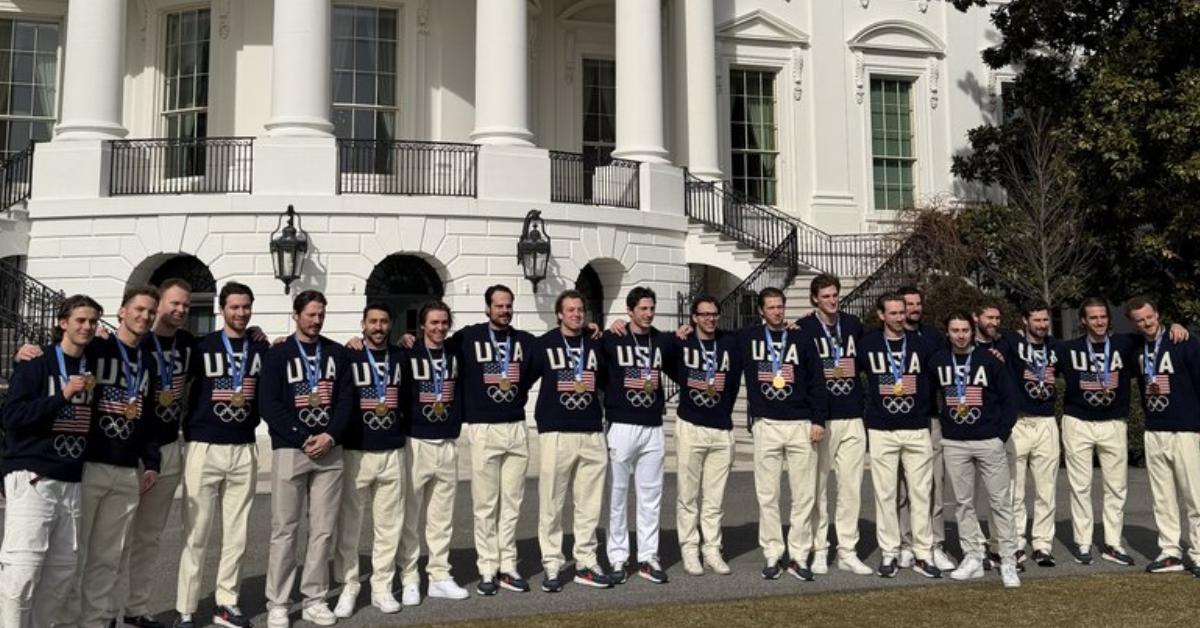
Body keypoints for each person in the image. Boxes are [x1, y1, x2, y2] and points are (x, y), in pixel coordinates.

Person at [1056, 298, 1186, 566]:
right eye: (1093, 318)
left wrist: (1177, 325)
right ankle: (1083, 542)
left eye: (1103, 316)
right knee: (1080, 486)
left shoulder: (1127, 344)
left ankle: (1112, 543)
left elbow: (1154, 333)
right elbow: (1030, 358)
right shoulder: (1067, 348)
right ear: (1083, 321)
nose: (1099, 321)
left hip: (1114, 422)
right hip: (1077, 422)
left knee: (1116, 487)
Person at [0, 295, 101, 628]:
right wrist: (61, 397)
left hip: (72, 479)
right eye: (80, 320)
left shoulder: (92, 364)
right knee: (22, 571)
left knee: (60, 577)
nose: (86, 327)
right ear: (63, 323)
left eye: (92, 321)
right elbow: (12, 417)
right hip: (34, 477)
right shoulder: (36, 362)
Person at [173, 281, 269, 628]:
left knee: (237, 533)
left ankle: (226, 603)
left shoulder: (261, 349)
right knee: (195, 532)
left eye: (246, 307)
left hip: (244, 447)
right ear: (222, 310)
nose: (241, 313)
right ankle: (185, 608)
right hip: (204, 447)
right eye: (234, 308)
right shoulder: (201, 347)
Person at [261, 290, 353, 628]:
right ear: (296, 314)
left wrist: (329, 436)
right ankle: (279, 603)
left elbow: (346, 400)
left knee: (323, 529)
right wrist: (302, 437)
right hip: (290, 449)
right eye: (311, 314)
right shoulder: (278, 354)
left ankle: (315, 598)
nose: (316, 321)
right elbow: (268, 404)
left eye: (321, 315)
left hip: (330, 450)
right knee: (284, 529)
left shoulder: (337, 353)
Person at [117, 278, 197, 628]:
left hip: (166, 449)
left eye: (186, 306)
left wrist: (258, 333)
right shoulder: (134, 343)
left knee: (149, 538)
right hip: (126, 452)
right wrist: (29, 351)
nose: (179, 310)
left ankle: (136, 610)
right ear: (158, 304)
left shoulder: (190, 344)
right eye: (173, 304)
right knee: (114, 539)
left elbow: (230, 345)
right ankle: (103, 611)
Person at [453, 285, 537, 595]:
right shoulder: (468, 337)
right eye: (499, 306)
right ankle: (487, 567)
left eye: (508, 306)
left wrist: (592, 328)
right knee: (486, 504)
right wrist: (408, 338)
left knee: (512, 503)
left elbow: (559, 347)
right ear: (487, 308)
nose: (504, 311)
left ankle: (508, 565)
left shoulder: (525, 342)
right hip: (483, 428)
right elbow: (432, 345)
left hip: (515, 426)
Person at [527, 290, 613, 592]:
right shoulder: (544, 345)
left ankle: (586, 562)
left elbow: (606, 379)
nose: (577, 314)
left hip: (590, 431)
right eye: (571, 310)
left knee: (589, 504)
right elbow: (523, 379)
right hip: (556, 432)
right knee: (551, 502)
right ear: (559, 314)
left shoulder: (595, 344)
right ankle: (551, 563)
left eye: (580, 309)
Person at [740, 287, 827, 582]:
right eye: (771, 308)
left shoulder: (801, 337)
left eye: (780, 307)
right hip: (766, 424)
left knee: (804, 495)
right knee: (768, 494)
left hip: (800, 423)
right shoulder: (749, 338)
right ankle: (773, 553)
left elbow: (818, 380)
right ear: (761, 311)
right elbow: (713, 336)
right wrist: (686, 328)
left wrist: (818, 420)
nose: (777, 312)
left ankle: (799, 555)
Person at [930, 312, 1022, 588]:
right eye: (955, 330)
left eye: (965, 330)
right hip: (955, 442)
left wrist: (1000, 435)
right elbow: (930, 396)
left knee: (1001, 503)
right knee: (963, 503)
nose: (960, 335)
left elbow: (1010, 399)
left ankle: (1008, 560)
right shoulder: (937, 361)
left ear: (972, 332)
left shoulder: (989, 361)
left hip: (988, 441)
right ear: (947, 332)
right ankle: (972, 556)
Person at [858, 292, 940, 578]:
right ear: (881, 315)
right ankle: (890, 552)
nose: (899, 317)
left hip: (917, 427)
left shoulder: (923, 343)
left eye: (901, 312)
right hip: (882, 429)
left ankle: (922, 553)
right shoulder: (867, 343)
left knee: (921, 494)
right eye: (892, 313)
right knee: (886, 495)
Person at [332, 303, 406, 617]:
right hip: (356, 451)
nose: (378, 327)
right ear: (362, 324)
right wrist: (275, 341)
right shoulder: (349, 355)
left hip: (392, 451)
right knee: (349, 525)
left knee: (389, 527)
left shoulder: (402, 356)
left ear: (391, 325)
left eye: (384, 321)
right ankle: (349, 586)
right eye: (372, 321)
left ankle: (382, 587)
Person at [799, 274, 874, 576]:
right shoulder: (804, 328)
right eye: (826, 296)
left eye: (835, 295)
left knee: (850, 488)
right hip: (822, 419)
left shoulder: (853, 325)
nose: (832, 300)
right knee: (818, 489)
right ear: (815, 298)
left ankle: (847, 550)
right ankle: (819, 549)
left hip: (852, 416)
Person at [663, 296, 742, 575]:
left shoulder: (730, 342)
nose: (710, 319)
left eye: (714, 314)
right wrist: (676, 336)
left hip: (721, 428)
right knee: (688, 494)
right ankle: (689, 547)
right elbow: (658, 349)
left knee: (714, 497)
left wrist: (796, 324)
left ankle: (711, 548)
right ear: (693, 317)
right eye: (704, 314)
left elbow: (767, 330)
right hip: (691, 426)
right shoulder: (682, 343)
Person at [397, 300, 470, 603]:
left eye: (444, 323)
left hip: (447, 443)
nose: (439, 328)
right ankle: (409, 576)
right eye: (434, 323)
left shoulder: (456, 350)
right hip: (416, 442)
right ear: (421, 326)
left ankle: (439, 574)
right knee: (410, 515)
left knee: (441, 517)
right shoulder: (407, 352)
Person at [1125, 298, 1200, 576]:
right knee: (1163, 498)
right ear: (1134, 323)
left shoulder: (1183, 340)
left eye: (1149, 317)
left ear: (1157, 314)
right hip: (1154, 430)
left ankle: (1199, 553)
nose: (1146, 323)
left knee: (1195, 496)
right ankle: (1170, 552)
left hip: (1185, 430)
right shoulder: (1135, 348)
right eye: (1140, 320)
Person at [602, 286, 670, 584]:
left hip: (653, 426)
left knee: (650, 496)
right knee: (617, 494)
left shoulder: (662, 340)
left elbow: (690, 343)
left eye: (651, 308)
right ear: (629, 311)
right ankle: (617, 557)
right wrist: (598, 325)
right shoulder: (612, 338)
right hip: (621, 425)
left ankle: (648, 556)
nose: (648, 313)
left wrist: (685, 329)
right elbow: (586, 338)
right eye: (643, 309)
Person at [895, 286, 955, 572]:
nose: (914, 308)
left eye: (918, 303)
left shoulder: (934, 337)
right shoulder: (889, 338)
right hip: (899, 422)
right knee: (903, 490)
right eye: (908, 304)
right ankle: (906, 545)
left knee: (934, 487)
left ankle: (935, 544)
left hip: (930, 420)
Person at [998, 302, 1062, 568]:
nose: (1042, 325)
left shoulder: (1056, 347)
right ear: (1025, 321)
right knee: (1015, 489)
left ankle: (1042, 544)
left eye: (1045, 320)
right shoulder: (1010, 342)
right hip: (1019, 422)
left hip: (1046, 421)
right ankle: (1015, 543)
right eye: (1036, 320)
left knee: (1046, 488)